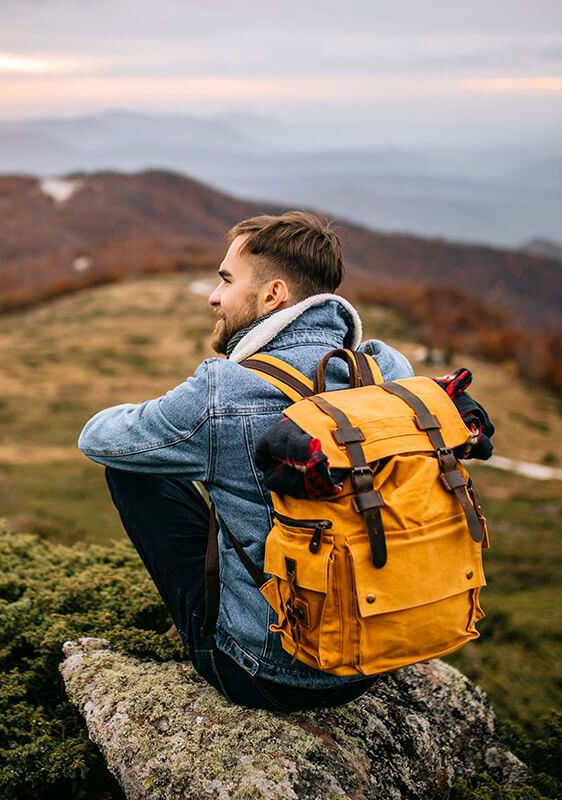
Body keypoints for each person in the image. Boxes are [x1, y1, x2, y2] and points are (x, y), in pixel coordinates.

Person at [77, 211, 417, 712]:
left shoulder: (225, 391)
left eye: (226, 281)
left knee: (131, 469)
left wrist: (179, 418)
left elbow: (99, 438)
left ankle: (226, 630)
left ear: (272, 295)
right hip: (377, 660)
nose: (215, 297)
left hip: (265, 674)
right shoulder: (386, 369)